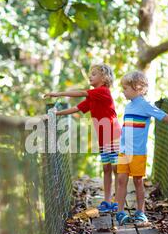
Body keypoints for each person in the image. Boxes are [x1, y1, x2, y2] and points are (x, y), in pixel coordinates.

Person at [115, 71, 168, 226]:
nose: (123, 91)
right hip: (124, 150)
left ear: (137, 88)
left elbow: (164, 116)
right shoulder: (128, 106)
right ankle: (120, 212)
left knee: (138, 181)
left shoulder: (146, 105)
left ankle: (140, 212)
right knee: (121, 180)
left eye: (125, 88)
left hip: (137, 152)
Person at [44, 64, 121, 211]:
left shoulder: (102, 92)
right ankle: (107, 201)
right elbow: (77, 108)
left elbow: (80, 93)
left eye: (94, 74)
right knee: (106, 168)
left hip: (114, 135)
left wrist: (58, 94)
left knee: (116, 168)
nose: (90, 76)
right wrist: (55, 114)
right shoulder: (93, 96)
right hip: (103, 137)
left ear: (104, 78)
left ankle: (118, 200)